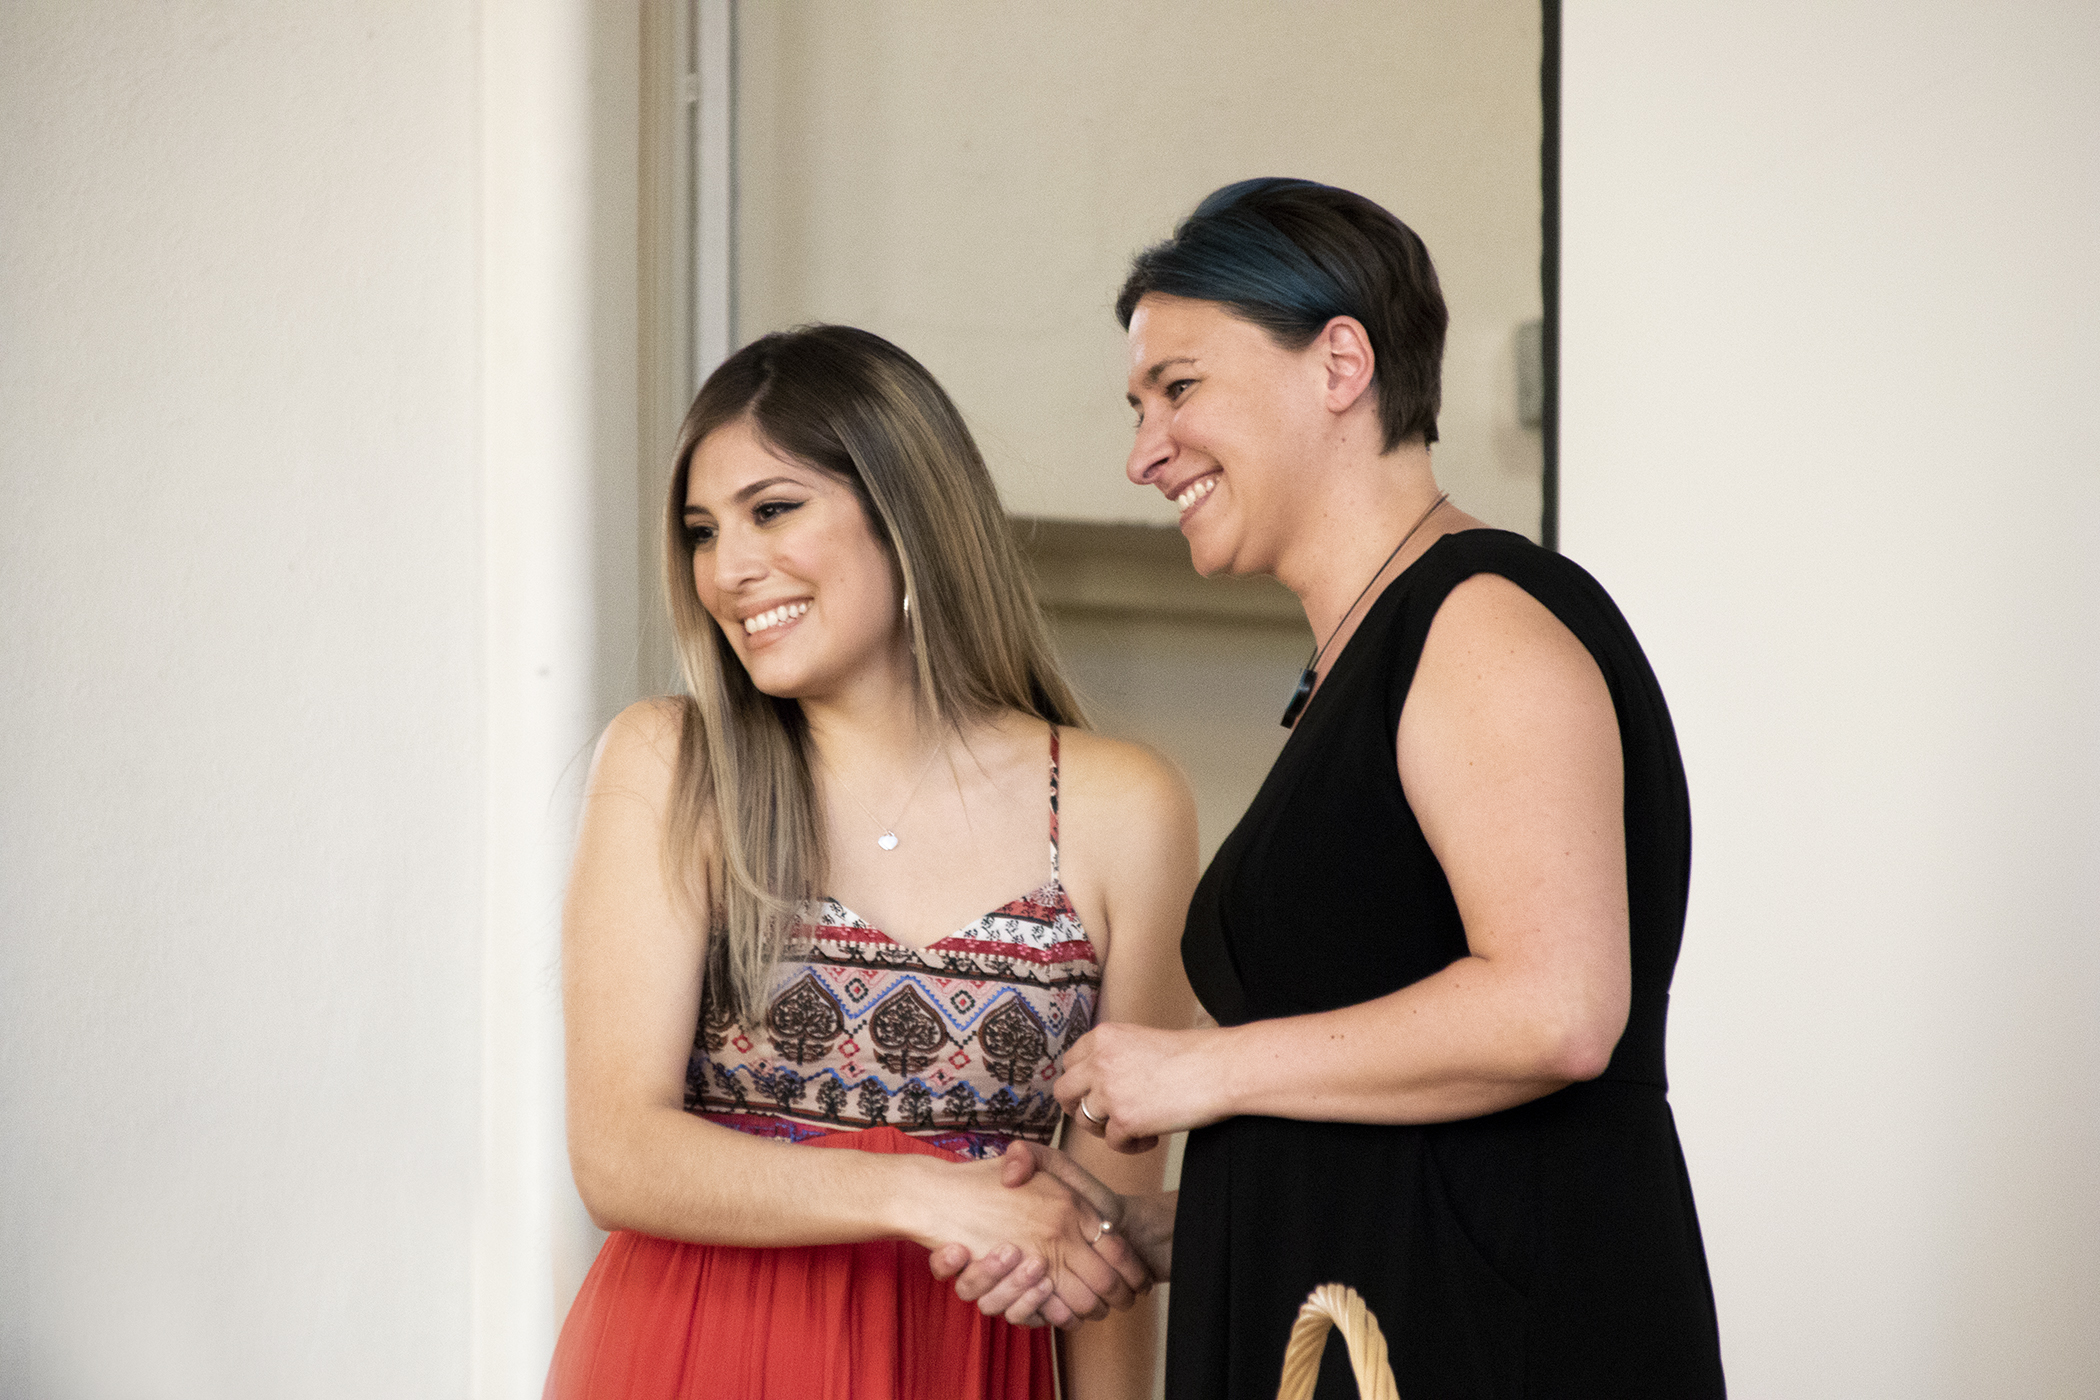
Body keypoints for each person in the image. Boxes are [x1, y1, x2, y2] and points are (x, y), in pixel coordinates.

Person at [938, 179, 1726, 1397]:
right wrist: (1180, 1228)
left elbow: (1559, 1009)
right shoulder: (1369, 652)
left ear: (1341, 362)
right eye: (1139, 405)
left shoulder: (1479, 623)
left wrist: (1203, 1068)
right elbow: (1402, 1096)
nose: (1144, 452)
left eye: (1179, 387)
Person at [545, 324, 1198, 1400]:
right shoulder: (674, 763)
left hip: (965, 1367)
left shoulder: (1122, 805)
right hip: (694, 1355)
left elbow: (1105, 1241)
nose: (730, 567)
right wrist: (929, 1195)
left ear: (904, 511)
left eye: (773, 507)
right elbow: (618, 1150)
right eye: (702, 531)